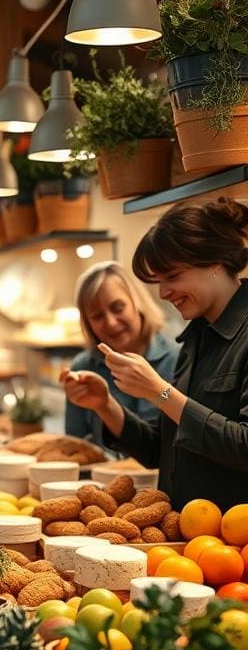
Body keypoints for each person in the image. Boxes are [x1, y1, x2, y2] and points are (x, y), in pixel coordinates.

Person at [61, 198, 248, 511]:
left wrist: (158, 391)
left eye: (172, 276)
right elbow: (161, 452)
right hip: (187, 540)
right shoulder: (196, 338)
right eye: (158, 281)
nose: (162, 293)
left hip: (234, 546)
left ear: (215, 261)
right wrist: (105, 405)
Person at [65, 261, 179, 449]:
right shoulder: (82, 370)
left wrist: (160, 392)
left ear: (138, 302)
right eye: (97, 316)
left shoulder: (178, 357)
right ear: (87, 323)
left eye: (118, 308)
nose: (111, 323)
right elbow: (76, 446)